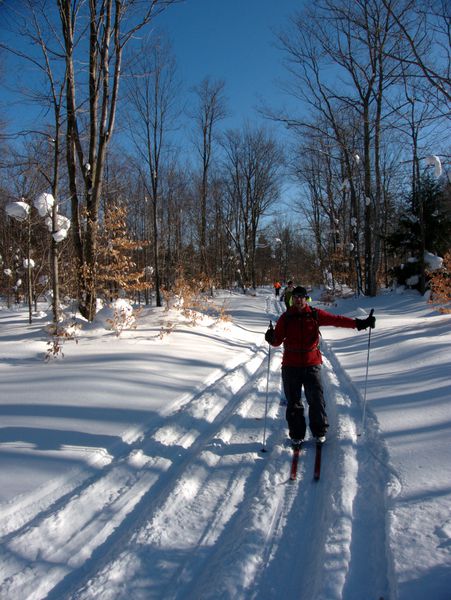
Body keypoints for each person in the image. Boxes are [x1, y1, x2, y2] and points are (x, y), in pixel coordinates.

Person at [265, 286, 375, 446]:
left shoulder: (315, 314)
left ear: (306, 298)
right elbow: (277, 342)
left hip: (312, 364)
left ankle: (319, 432)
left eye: (301, 297)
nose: (298, 300)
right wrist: (271, 337)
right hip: (291, 366)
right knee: (294, 402)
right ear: (292, 299)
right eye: (295, 297)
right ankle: (297, 435)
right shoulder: (286, 317)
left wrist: (360, 323)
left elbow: (337, 320)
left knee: (316, 399)